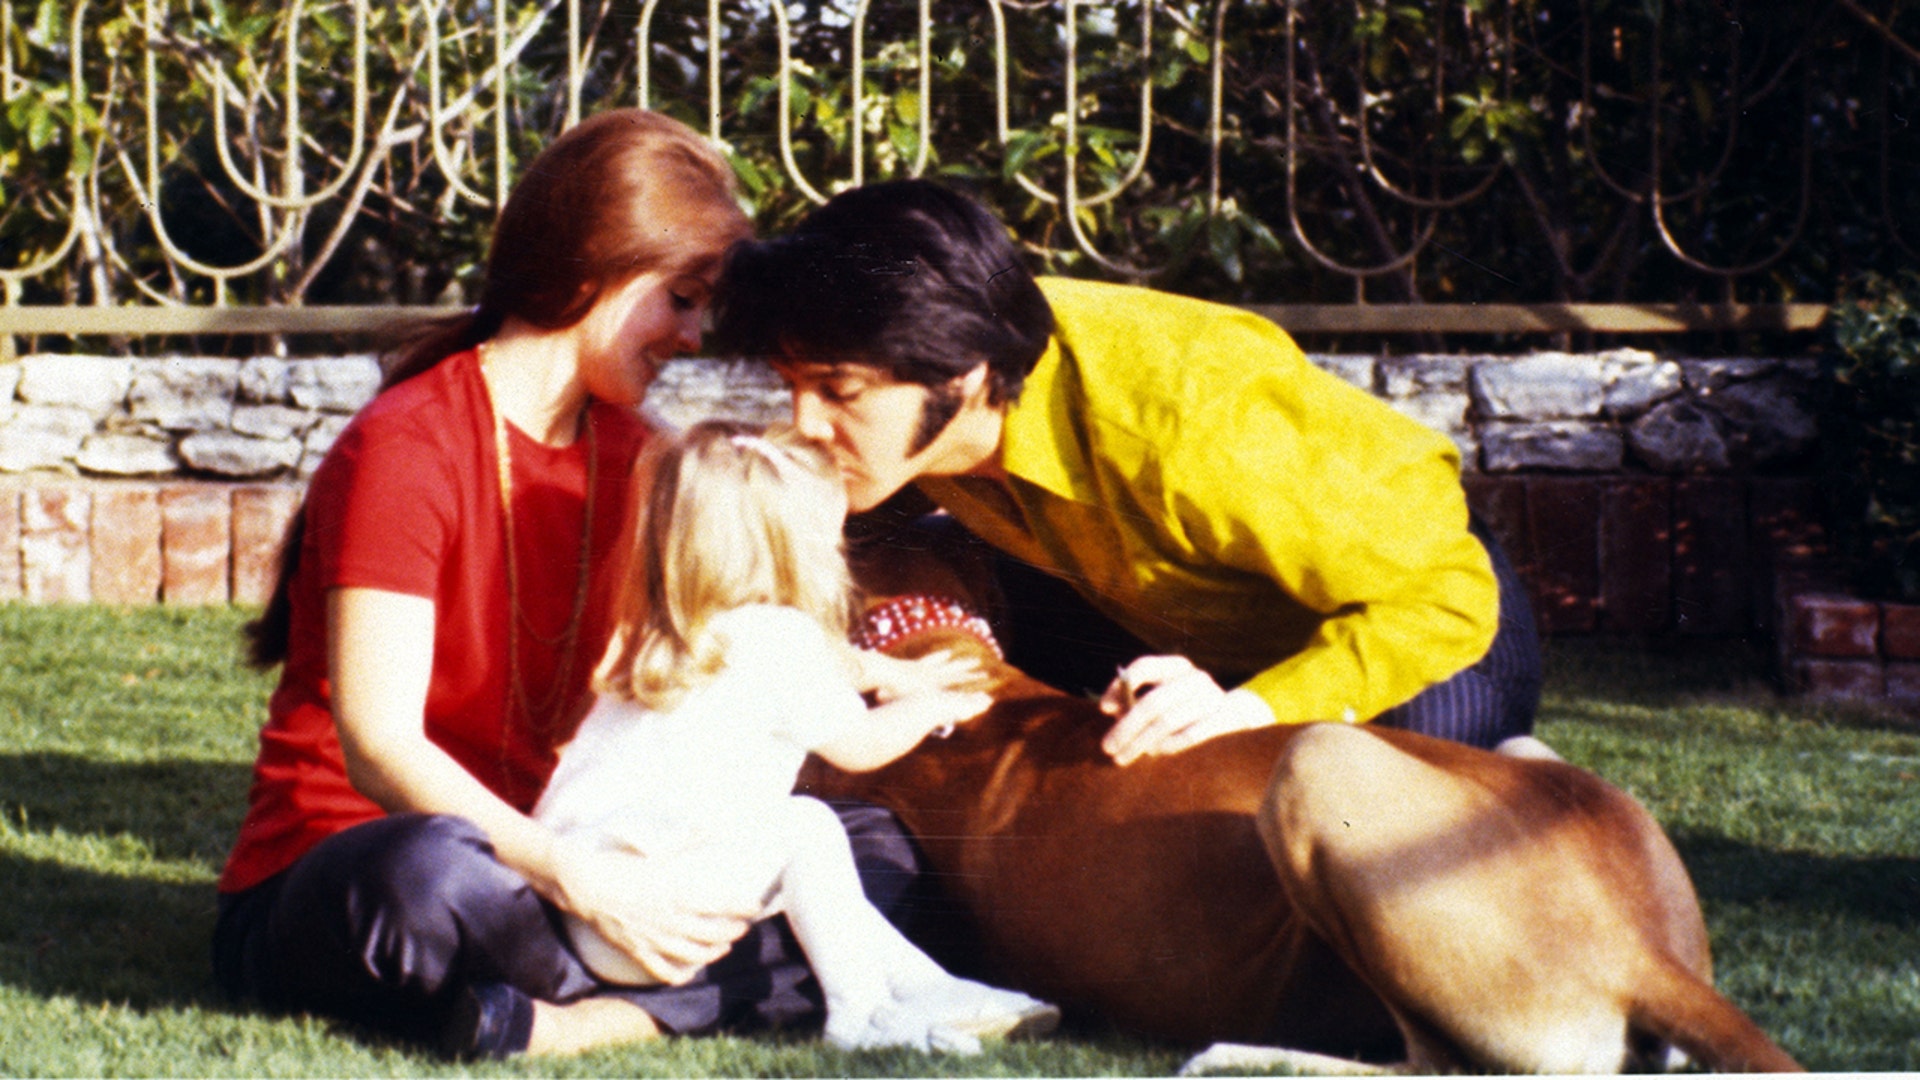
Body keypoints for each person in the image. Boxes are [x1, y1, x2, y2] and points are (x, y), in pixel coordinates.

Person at [211, 110, 926, 1060]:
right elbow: (379, 748)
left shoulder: (643, 458)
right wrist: (581, 882)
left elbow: (735, 635)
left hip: (575, 876)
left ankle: (572, 1019)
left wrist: (884, 672)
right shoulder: (407, 445)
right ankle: (668, 997)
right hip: (391, 866)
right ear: (599, 267)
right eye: (680, 297)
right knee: (423, 879)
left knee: (866, 849)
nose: (692, 334)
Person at [711, 179, 1542, 764]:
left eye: (837, 391)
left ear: (959, 377)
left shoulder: (1191, 414)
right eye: (792, 388)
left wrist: (1249, 711)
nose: (804, 425)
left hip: (1420, 608)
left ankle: (1525, 775)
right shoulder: (916, 411)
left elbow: (1441, 595)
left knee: (1374, 794)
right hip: (1159, 612)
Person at [533, 420, 1060, 1054]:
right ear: (791, 549)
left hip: (584, 907)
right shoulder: (785, 639)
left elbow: (840, 666)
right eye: (831, 539)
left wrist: (898, 672)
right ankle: (859, 1017)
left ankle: (935, 989)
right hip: (659, 921)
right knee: (805, 831)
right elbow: (859, 745)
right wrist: (934, 706)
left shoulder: (677, 635)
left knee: (815, 879)